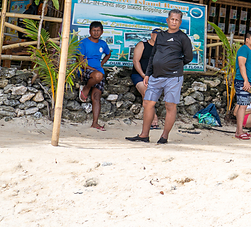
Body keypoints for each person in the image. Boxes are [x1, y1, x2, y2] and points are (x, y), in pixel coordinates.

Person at [126, 10, 194, 145]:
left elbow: (189, 57)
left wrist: (176, 64)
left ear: (180, 22)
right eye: (172, 19)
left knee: (170, 105)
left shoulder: (183, 38)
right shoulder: (161, 36)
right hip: (155, 76)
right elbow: (153, 56)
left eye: (177, 20)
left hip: (173, 77)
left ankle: (164, 137)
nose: (174, 22)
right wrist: (147, 74)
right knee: (148, 103)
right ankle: (144, 135)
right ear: (167, 20)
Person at [75, 21, 111, 131]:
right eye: (94, 30)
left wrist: (101, 64)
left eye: (98, 31)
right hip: (85, 70)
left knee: (96, 97)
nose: (96, 33)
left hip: (97, 72)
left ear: (102, 32)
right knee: (98, 76)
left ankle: (95, 123)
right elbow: (80, 61)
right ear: (90, 31)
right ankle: (86, 88)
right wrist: (94, 69)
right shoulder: (83, 43)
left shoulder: (103, 44)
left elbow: (108, 53)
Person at [233, 31, 251, 140]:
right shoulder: (244, 49)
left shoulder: (250, 52)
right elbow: (241, 65)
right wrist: (245, 81)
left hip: (248, 81)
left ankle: (239, 130)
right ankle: (239, 131)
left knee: (244, 105)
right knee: (242, 105)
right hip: (242, 81)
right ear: (247, 39)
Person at [131, 29, 162, 131]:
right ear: (151, 35)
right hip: (139, 75)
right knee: (146, 91)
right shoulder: (142, 44)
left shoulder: (161, 48)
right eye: (156, 34)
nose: (157, 37)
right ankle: (154, 119)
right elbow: (136, 61)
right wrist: (144, 75)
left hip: (154, 76)